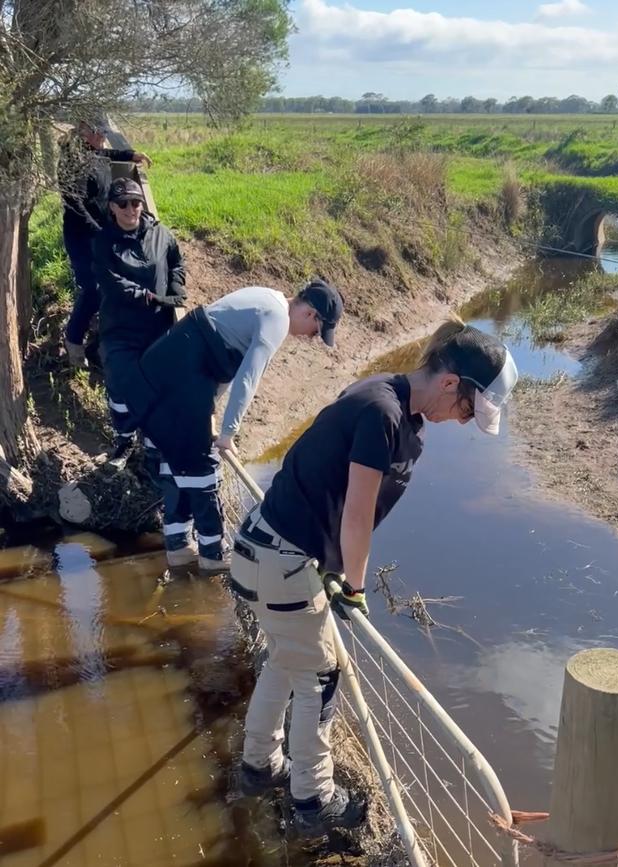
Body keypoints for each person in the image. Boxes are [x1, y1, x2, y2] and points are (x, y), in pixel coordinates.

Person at [229, 315, 518, 837]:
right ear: (451, 383)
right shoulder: (384, 415)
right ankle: (313, 800)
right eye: (466, 410)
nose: (460, 420)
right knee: (322, 676)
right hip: (283, 561)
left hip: (259, 549)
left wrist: (332, 569)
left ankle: (257, 765)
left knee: (287, 659)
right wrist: (354, 587)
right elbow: (356, 513)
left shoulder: (382, 392)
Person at [122, 280, 344, 573]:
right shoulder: (276, 319)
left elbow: (218, 364)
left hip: (160, 375)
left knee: (175, 463)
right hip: (178, 381)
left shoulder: (266, 297)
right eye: (316, 333)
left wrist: (209, 416)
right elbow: (247, 379)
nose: (311, 338)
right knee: (203, 470)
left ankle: (178, 549)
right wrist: (228, 434)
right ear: (311, 315)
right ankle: (214, 554)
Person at [93, 178, 186, 464]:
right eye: (123, 204)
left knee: (155, 384)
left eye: (135, 202)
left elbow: (176, 263)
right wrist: (144, 295)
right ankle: (123, 439)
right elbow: (111, 281)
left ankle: (151, 443)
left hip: (157, 327)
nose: (130, 209)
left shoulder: (161, 234)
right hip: (120, 329)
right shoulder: (103, 241)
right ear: (112, 207)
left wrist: (177, 288)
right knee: (120, 383)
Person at [57, 118, 152, 367]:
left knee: (103, 286)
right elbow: (76, 205)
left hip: (98, 233)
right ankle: (74, 341)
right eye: (98, 133)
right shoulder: (72, 161)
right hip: (82, 236)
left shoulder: (93, 150)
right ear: (82, 130)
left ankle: (94, 328)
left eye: (104, 133)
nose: (102, 138)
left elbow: (106, 153)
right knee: (93, 289)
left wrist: (132, 154)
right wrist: (101, 232)